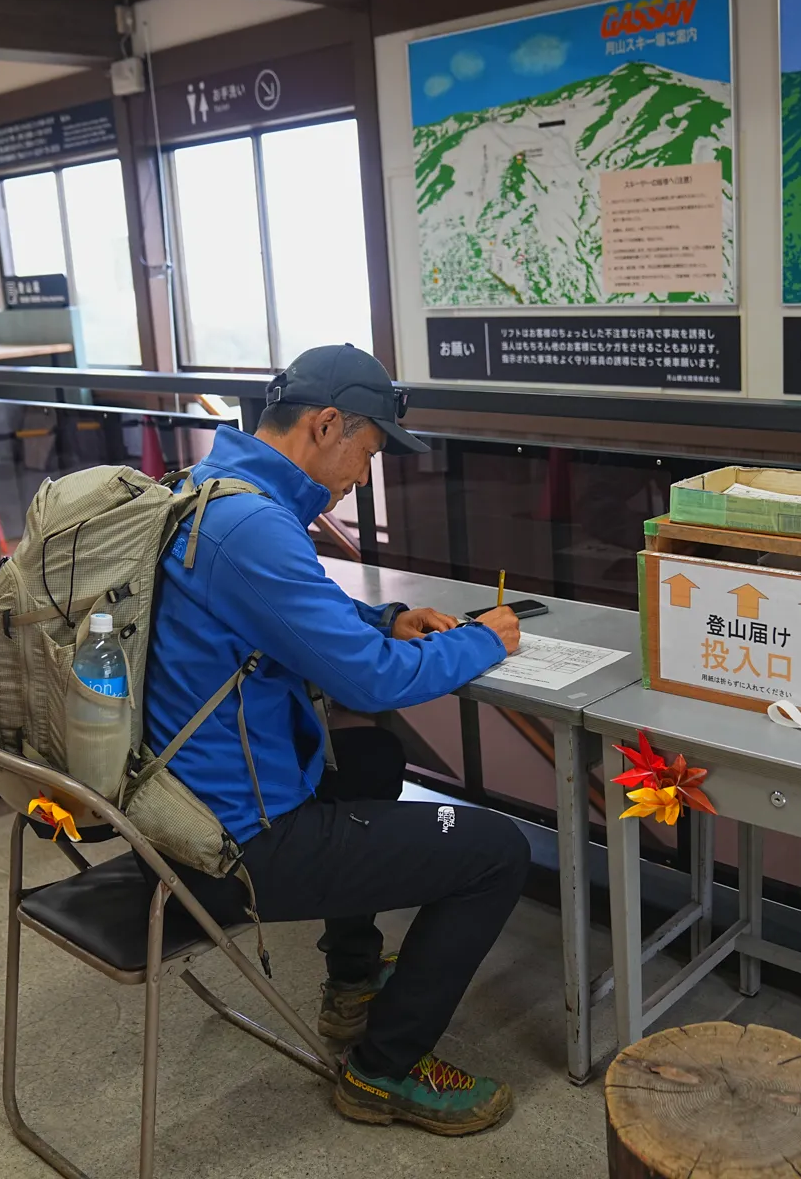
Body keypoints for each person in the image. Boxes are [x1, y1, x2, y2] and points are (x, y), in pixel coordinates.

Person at [140, 344, 528, 1135]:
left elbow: (283, 612)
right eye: (370, 450)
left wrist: (384, 620)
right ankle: (382, 1073)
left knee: (373, 755)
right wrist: (486, 640)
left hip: (164, 804)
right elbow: (371, 682)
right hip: (237, 841)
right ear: (326, 425)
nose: (364, 471)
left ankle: (353, 982)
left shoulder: (209, 490)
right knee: (497, 851)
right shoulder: (251, 524)